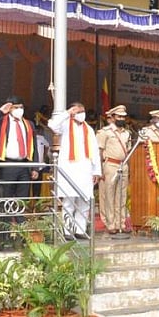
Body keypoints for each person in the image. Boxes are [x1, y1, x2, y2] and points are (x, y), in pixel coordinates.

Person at [48, 102, 102, 240]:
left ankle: (80, 229)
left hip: (85, 170)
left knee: (85, 202)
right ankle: (67, 230)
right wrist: (67, 113)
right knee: (69, 201)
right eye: (78, 111)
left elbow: (95, 151)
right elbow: (52, 125)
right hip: (70, 169)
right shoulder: (66, 124)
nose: (81, 114)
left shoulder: (88, 129)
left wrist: (97, 171)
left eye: (83, 111)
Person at [0, 96, 39, 205]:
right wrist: (0, 112)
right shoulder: (1, 121)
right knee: (7, 194)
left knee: (23, 196)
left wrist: (35, 167)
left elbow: (33, 146)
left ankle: (20, 221)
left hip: (24, 164)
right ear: (10, 109)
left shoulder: (28, 124)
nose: (19, 110)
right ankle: (7, 220)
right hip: (7, 164)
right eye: (15, 107)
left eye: (21, 107)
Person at [96, 105, 132, 238]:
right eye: (119, 116)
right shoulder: (104, 132)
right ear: (112, 117)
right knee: (108, 195)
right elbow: (98, 152)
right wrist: (99, 170)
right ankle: (110, 224)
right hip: (110, 164)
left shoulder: (127, 133)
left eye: (123, 116)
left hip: (124, 165)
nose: (121, 118)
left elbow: (127, 151)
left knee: (121, 196)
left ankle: (121, 223)